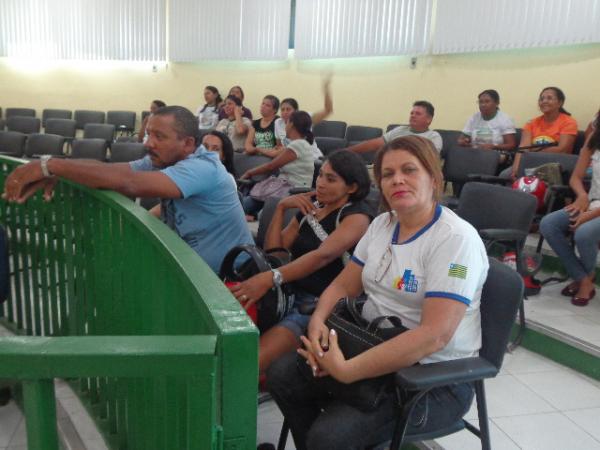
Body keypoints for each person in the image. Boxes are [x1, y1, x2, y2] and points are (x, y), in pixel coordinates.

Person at [267, 136, 489, 450]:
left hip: (431, 378)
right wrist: (318, 323)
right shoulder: (383, 224)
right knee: (283, 375)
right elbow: (344, 285)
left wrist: (345, 370)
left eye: (409, 170)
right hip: (369, 343)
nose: (397, 179)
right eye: (387, 174)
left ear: (434, 178)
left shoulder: (455, 240)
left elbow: (433, 336)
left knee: (329, 437)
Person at [3, 106, 253, 274]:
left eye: (159, 137)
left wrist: (49, 165)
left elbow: (128, 183)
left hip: (231, 277)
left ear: (188, 144)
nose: (148, 143)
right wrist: (60, 171)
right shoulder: (162, 159)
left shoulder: (204, 167)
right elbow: (111, 170)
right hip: (194, 272)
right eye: (148, 135)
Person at [229, 150, 373, 373]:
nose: (321, 183)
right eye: (321, 175)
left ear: (352, 187)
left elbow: (322, 256)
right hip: (286, 292)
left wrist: (271, 278)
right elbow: (276, 253)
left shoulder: (356, 216)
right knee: (223, 335)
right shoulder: (313, 207)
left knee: (245, 367)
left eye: (331, 179)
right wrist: (281, 208)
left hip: (315, 305)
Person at [540, 124, 600, 306]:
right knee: (548, 224)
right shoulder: (595, 138)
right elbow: (576, 177)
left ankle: (583, 278)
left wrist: (589, 215)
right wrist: (582, 196)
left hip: (595, 209)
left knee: (583, 232)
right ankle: (584, 278)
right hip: (592, 202)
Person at [241, 111, 316, 220]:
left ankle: (252, 216)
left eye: (287, 122)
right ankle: (249, 215)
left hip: (293, 190)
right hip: (282, 188)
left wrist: (249, 173)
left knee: (259, 211)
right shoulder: (299, 143)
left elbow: (271, 166)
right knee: (249, 202)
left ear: (291, 125)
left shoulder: (298, 144)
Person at [505, 86, 578, 179]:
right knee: (505, 175)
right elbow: (523, 148)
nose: (544, 101)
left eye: (549, 98)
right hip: (531, 162)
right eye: (541, 99)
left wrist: (532, 151)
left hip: (556, 165)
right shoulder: (531, 123)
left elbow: (562, 150)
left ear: (560, 103)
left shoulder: (569, 122)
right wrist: (515, 169)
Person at [346, 101, 443, 154]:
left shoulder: (434, 137)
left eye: (418, 114)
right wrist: (348, 151)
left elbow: (429, 158)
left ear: (429, 119)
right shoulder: (400, 130)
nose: (412, 115)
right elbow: (374, 144)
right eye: (411, 113)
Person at [274, 75, 334, 159]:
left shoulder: (305, 118)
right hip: (291, 159)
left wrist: (326, 88)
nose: (285, 112)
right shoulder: (278, 122)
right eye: (282, 110)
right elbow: (279, 145)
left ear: (296, 111)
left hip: (312, 159)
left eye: (288, 109)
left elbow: (328, 110)